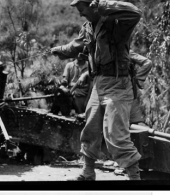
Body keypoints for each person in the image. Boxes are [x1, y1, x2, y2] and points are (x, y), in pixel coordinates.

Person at [51, 0, 142, 180]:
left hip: (118, 84)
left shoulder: (116, 23)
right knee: (90, 129)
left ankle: (134, 177)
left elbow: (136, 12)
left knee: (115, 135)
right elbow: (75, 46)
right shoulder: (88, 27)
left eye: (81, 9)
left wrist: (102, 4)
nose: (80, 14)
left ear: (92, 5)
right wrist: (59, 50)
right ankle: (88, 172)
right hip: (98, 84)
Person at [129, 51, 152, 125]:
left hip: (130, 92)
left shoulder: (127, 52)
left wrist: (137, 77)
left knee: (136, 122)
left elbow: (148, 63)